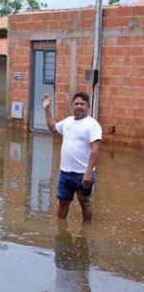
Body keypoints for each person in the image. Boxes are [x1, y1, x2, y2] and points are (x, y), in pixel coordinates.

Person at [43, 92, 102, 221]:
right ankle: (61, 231)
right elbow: (53, 127)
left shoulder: (92, 125)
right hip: (65, 172)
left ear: (88, 107)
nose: (79, 106)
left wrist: (88, 174)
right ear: (72, 106)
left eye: (82, 104)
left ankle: (85, 232)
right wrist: (47, 109)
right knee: (63, 202)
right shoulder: (67, 121)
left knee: (84, 202)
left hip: (82, 173)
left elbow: (95, 150)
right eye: (76, 104)